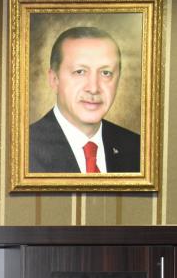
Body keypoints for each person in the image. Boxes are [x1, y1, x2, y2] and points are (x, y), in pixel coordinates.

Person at [29, 26, 140, 173]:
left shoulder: (137, 148)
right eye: (80, 72)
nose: (93, 88)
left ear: (118, 79)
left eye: (106, 73)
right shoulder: (24, 148)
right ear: (54, 80)